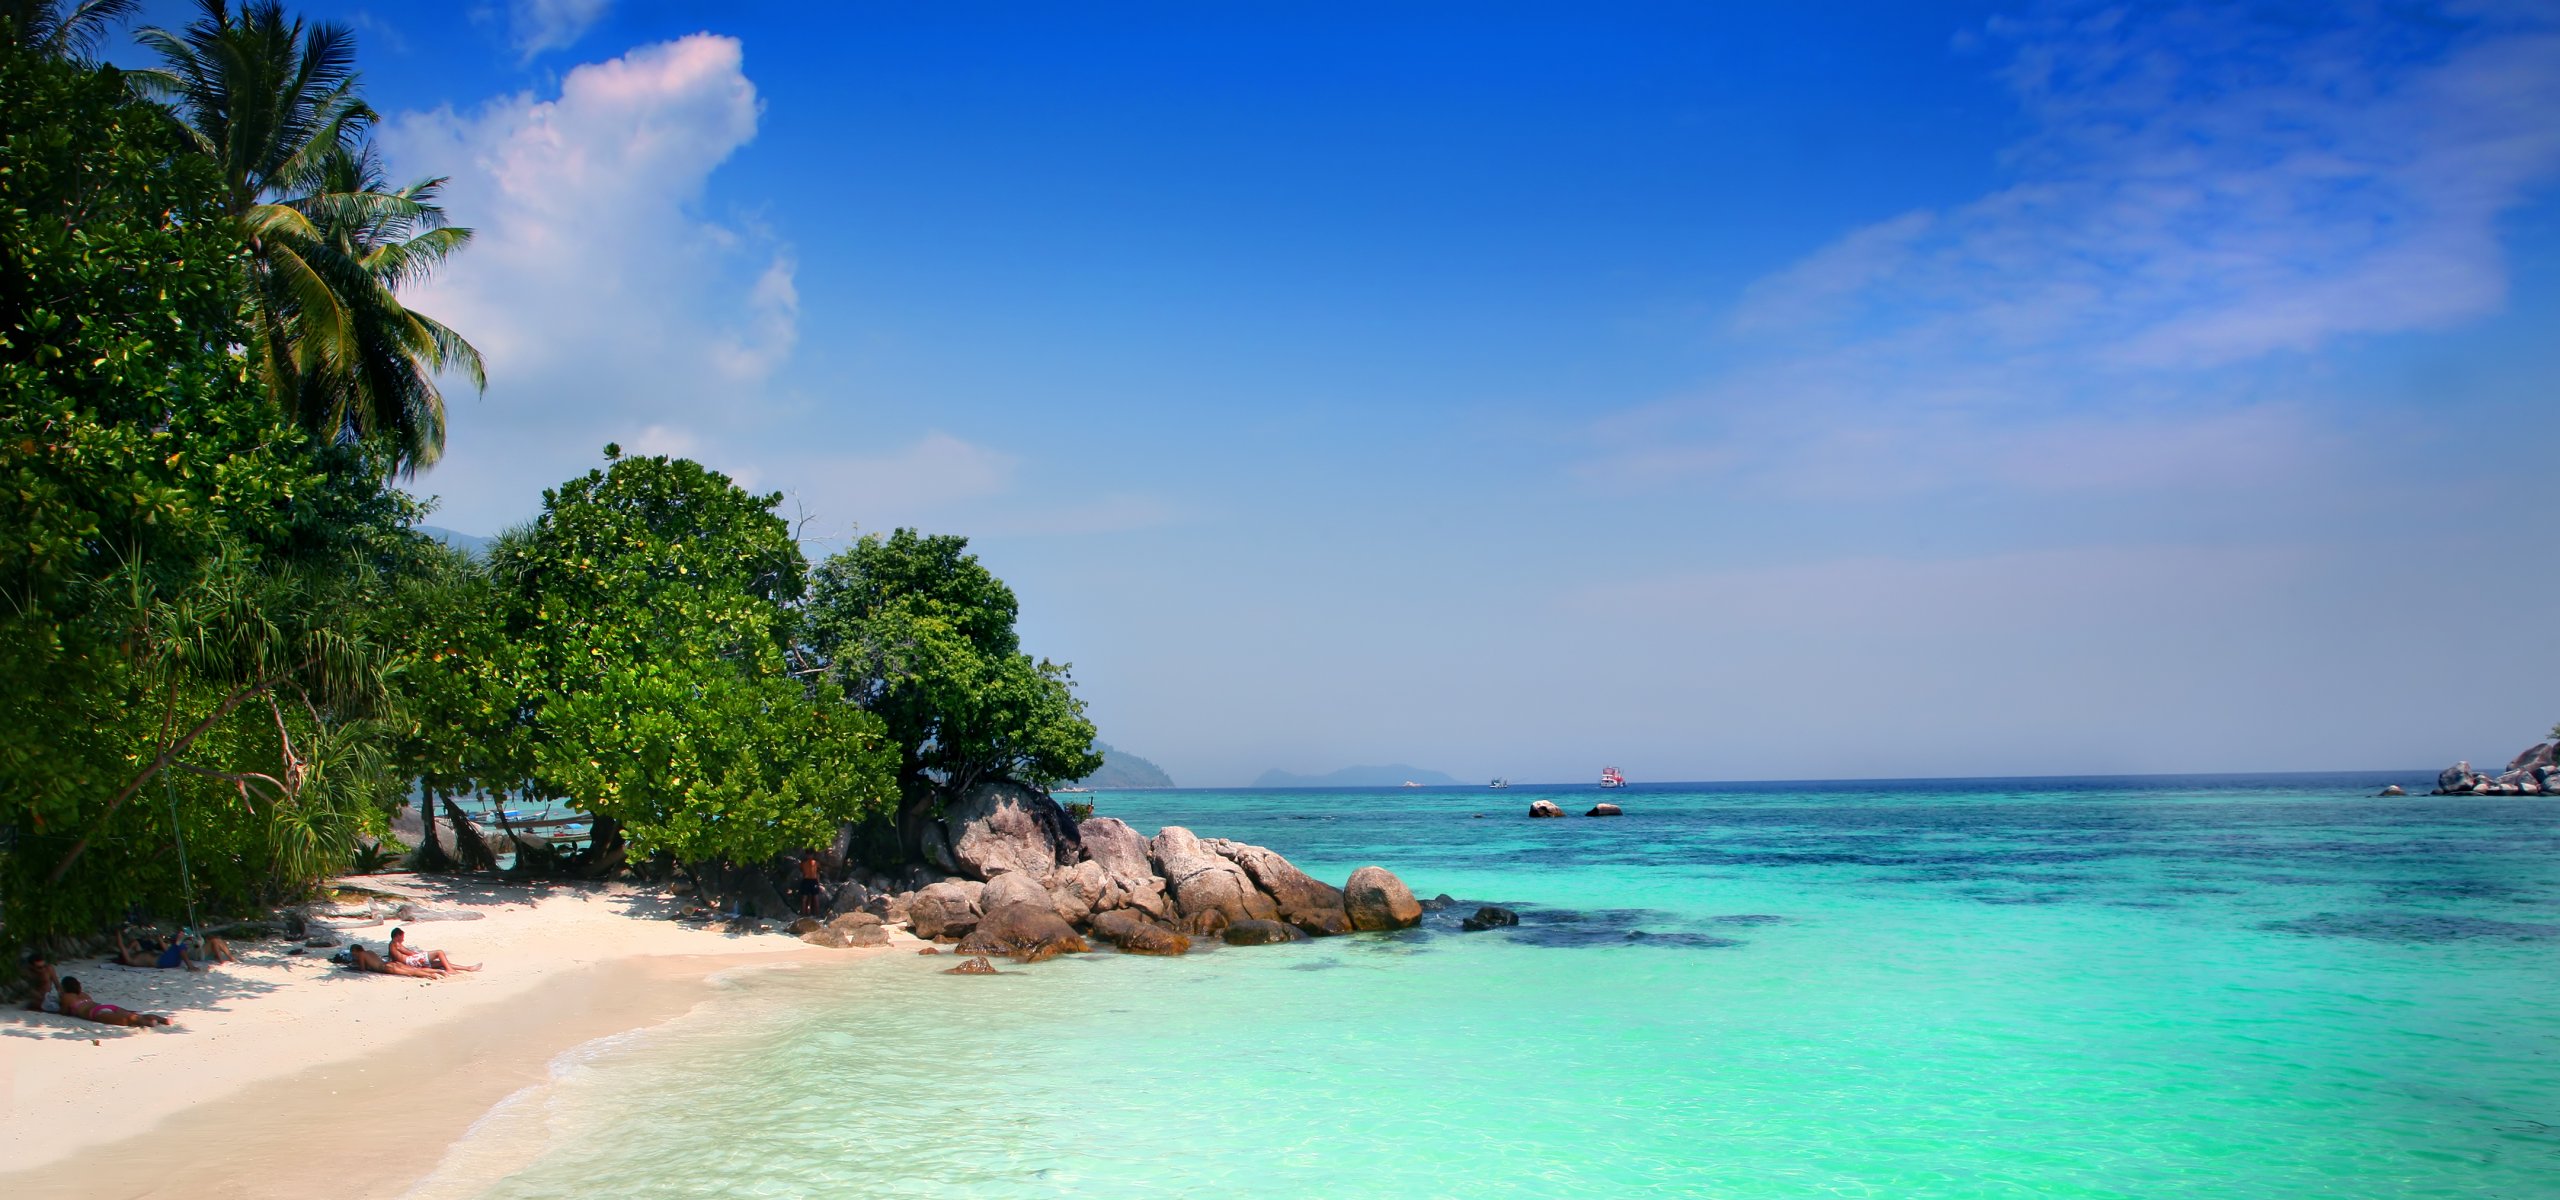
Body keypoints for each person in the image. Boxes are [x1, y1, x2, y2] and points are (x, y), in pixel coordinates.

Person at [54, 976, 173, 1028]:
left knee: (128, 1020)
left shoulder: (67, 997)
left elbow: (63, 1012)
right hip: (104, 1006)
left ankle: (149, 1023)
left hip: (95, 1013)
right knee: (134, 1015)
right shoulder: (84, 995)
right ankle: (163, 1020)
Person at [385, 927, 478, 973]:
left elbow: (395, 958)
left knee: (441, 962)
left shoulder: (392, 945)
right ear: (397, 936)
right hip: (411, 961)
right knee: (439, 952)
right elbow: (410, 953)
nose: (403, 939)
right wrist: (419, 956)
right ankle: (450, 970)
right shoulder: (395, 943)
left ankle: (467, 968)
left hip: (410, 962)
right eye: (402, 937)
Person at [349, 945, 445, 979]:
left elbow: (362, 969)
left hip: (386, 968)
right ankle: (437, 971)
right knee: (414, 969)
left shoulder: (361, 954)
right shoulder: (369, 952)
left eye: (353, 953)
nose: (353, 955)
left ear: (355, 951)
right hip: (390, 963)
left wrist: (355, 966)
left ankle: (432, 975)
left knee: (411, 972)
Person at [796, 850, 824, 917]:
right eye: (808, 854)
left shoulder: (816, 863)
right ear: (806, 855)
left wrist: (818, 883)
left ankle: (817, 914)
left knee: (816, 898)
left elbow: (818, 873)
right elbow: (802, 872)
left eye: (811, 854)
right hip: (806, 880)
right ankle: (803, 914)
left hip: (814, 881)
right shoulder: (803, 863)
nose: (809, 856)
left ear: (813, 855)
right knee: (804, 898)